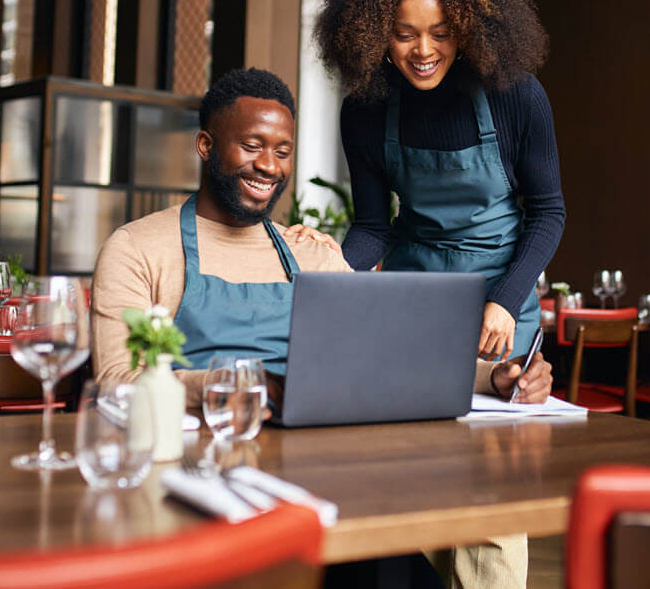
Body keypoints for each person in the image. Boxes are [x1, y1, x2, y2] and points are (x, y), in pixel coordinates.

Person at [289, 0, 565, 589]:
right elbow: (371, 227)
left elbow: (547, 211)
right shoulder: (365, 108)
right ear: (372, 33)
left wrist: (503, 298)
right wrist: (331, 271)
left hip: (503, 299)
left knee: (492, 495)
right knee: (414, 477)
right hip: (412, 304)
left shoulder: (514, 94)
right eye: (403, 33)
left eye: (440, 33)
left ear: (468, 29)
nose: (422, 50)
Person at [91, 67, 553, 412]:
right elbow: (114, 382)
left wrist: (497, 377)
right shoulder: (138, 248)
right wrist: (234, 385)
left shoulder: (309, 253)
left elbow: (389, 357)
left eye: (282, 151)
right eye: (251, 147)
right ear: (206, 146)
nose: (269, 166)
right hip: (189, 451)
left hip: (308, 459)